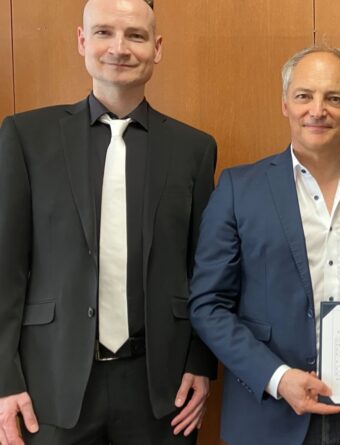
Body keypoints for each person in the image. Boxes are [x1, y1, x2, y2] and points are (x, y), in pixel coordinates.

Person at [0, 0, 218, 444]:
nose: (119, 47)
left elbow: (204, 270)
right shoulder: (26, 137)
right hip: (51, 384)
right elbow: (6, 268)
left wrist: (201, 362)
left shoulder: (194, 149)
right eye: (103, 32)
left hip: (163, 388)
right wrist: (4, 378)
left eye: (136, 35)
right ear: (82, 41)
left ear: (157, 47)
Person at [188, 46, 340, 445]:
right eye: (304, 96)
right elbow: (208, 305)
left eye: (334, 98)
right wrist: (278, 378)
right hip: (268, 414)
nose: (317, 110)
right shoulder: (238, 189)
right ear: (285, 104)